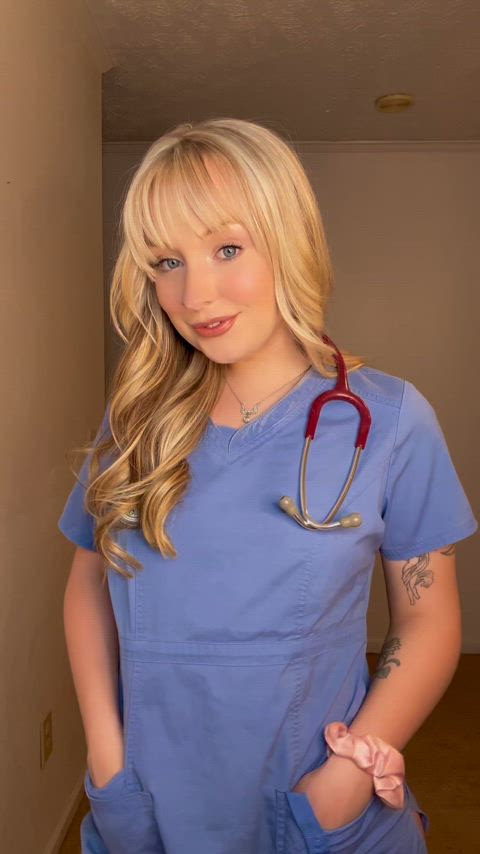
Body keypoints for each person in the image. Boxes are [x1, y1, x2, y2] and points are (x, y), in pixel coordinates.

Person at [58, 117, 478, 854]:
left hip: (318, 800)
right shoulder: (135, 423)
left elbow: (429, 619)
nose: (195, 294)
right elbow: (89, 582)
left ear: (289, 240)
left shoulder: (390, 420)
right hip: (149, 802)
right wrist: (105, 752)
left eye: (227, 249)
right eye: (166, 261)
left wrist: (348, 777)